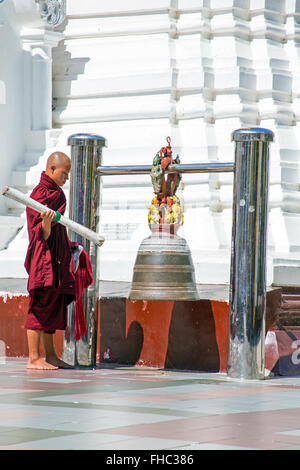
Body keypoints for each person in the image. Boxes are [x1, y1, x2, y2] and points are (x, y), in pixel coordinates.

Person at [24, 152, 77, 370]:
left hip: (56, 259)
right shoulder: (39, 194)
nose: (66, 179)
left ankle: (51, 355)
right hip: (43, 259)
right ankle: (33, 357)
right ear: (52, 169)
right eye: (64, 173)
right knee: (39, 307)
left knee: (53, 307)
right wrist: (45, 227)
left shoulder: (58, 194)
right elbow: (37, 231)